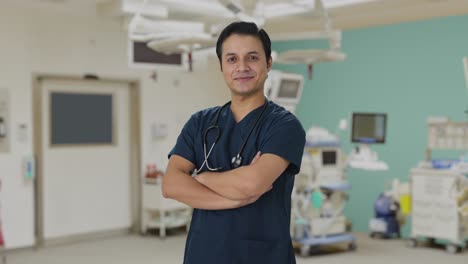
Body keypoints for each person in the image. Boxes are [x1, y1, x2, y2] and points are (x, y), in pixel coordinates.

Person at [162, 21, 306, 264]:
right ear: (221, 66)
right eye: (231, 59)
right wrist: (236, 197)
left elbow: (252, 184)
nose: (242, 67)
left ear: (268, 63)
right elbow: (171, 185)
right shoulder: (200, 123)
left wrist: (201, 178)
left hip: (263, 255)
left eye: (252, 57)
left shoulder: (284, 126)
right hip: (203, 254)